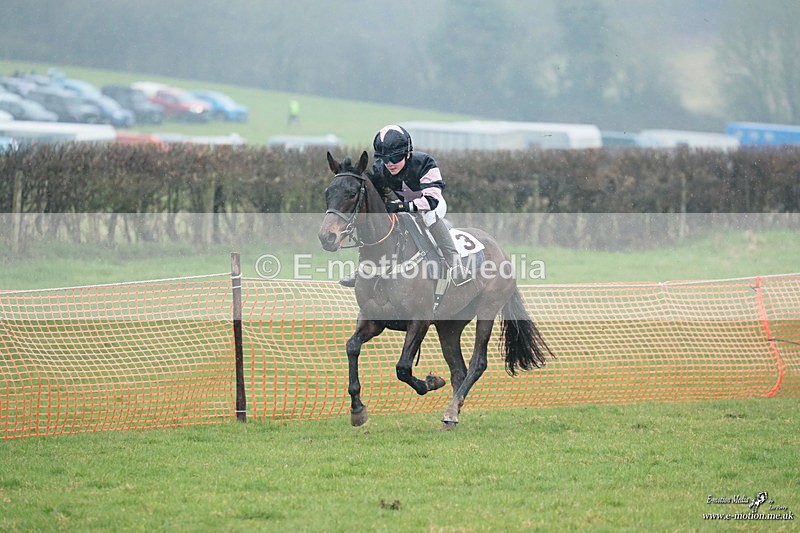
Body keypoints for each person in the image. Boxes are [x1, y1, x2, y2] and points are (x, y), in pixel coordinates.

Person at [340, 124, 468, 287]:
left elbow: (431, 201)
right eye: (385, 159)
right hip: (404, 205)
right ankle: (364, 268)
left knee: (427, 216)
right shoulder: (380, 168)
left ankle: (456, 265)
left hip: (432, 205)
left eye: (394, 158)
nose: (390, 164)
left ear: (408, 154)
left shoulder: (426, 163)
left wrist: (399, 206)